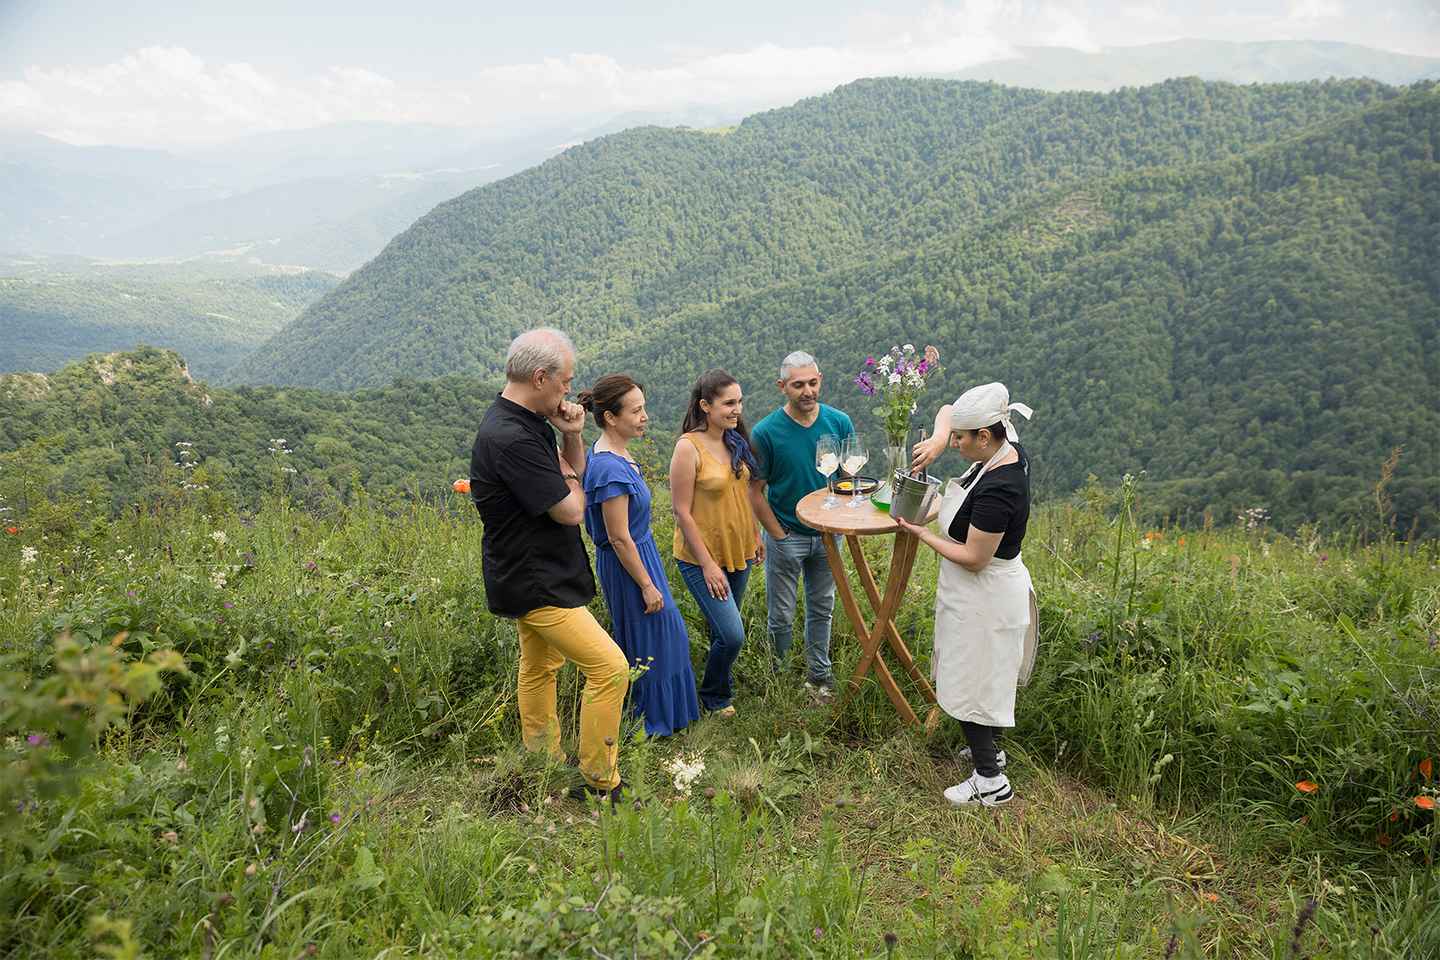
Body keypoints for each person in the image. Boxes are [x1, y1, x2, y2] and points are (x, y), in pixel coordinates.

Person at [469, 328, 629, 801]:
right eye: (565, 381)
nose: (568, 390)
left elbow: (570, 476)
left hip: (531, 569)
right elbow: (571, 509)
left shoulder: (527, 421)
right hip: (535, 578)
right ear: (540, 377)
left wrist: (573, 438)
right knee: (610, 668)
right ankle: (600, 781)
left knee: (540, 666)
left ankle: (542, 762)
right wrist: (571, 480)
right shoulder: (510, 438)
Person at [897, 382, 1035, 807]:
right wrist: (940, 438)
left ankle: (991, 781)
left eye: (962, 438)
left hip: (985, 592)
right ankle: (990, 753)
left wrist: (920, 532)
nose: (956, 444)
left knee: (971, 682)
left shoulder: (1001, 488)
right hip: (977, 593)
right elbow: (945, 409)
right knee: (984, 675)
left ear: (985, 436)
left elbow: (974, 556)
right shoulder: (1005, 444)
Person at [578, 374, 700, 737]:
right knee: (652, 639)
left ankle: (669, 717)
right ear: (611, 417)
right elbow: (617, 537)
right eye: (637, 410)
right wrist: (646, 584)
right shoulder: (609, 469)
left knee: (667, 636)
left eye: (643, 408)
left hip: (639, 555)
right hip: (628, 563)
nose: (645, 416)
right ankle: (650, 722)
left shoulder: (616, 454)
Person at [748, 351, 854, 698]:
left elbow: (847, 479)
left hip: (828, 536)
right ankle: (779, 680)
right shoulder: (766, 432)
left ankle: (819, 678)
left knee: (822, 609)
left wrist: (839, 522)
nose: (807, 391)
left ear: (820, 379)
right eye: (798, 385)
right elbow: (755, 491)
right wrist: (778, 534)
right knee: (781, 615)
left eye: (812, 382)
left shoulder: (839, 422)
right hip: (786, 534)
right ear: (782, 387)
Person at [669, 369, 763, 718]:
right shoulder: (688, 448)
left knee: (722, 629)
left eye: (739, 401)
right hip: (700, 557)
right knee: (733, 634)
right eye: (728, 403)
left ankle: (713, 678)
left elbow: (744, 494)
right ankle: (714, 695)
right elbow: (681, 511)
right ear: (705, 405)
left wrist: (754, 534)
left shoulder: (734, 440)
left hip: (738, 550)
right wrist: (708, 565)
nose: (737, 409)